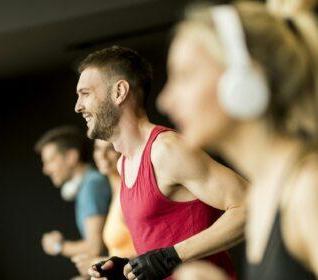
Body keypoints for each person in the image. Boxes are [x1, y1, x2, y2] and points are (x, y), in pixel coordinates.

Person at [156, 0, 318, 279]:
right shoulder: (263, 194)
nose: (165, 101)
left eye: (185, 76)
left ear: (242, 79)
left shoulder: (308, 189)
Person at [74, 46, 247, 280]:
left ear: (119, 92)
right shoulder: (123, 163)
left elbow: (248, 206)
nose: (78, 106)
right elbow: (160, 245)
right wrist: (129, 267)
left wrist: (171, 256)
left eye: (85, 94)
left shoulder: (165, 150)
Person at [35, 126, 111, 260]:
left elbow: (95, 247)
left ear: (71, 156)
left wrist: (59, 247)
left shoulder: (91, 185)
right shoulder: (88, 184)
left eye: (51, 161)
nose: (46, 170)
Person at [72, 139, 136, 276]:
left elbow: (151, 249)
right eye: (98, 148)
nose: (102, 155)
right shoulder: (115, 194)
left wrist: (98, 261)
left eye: (110, 149)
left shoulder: (128, 194)